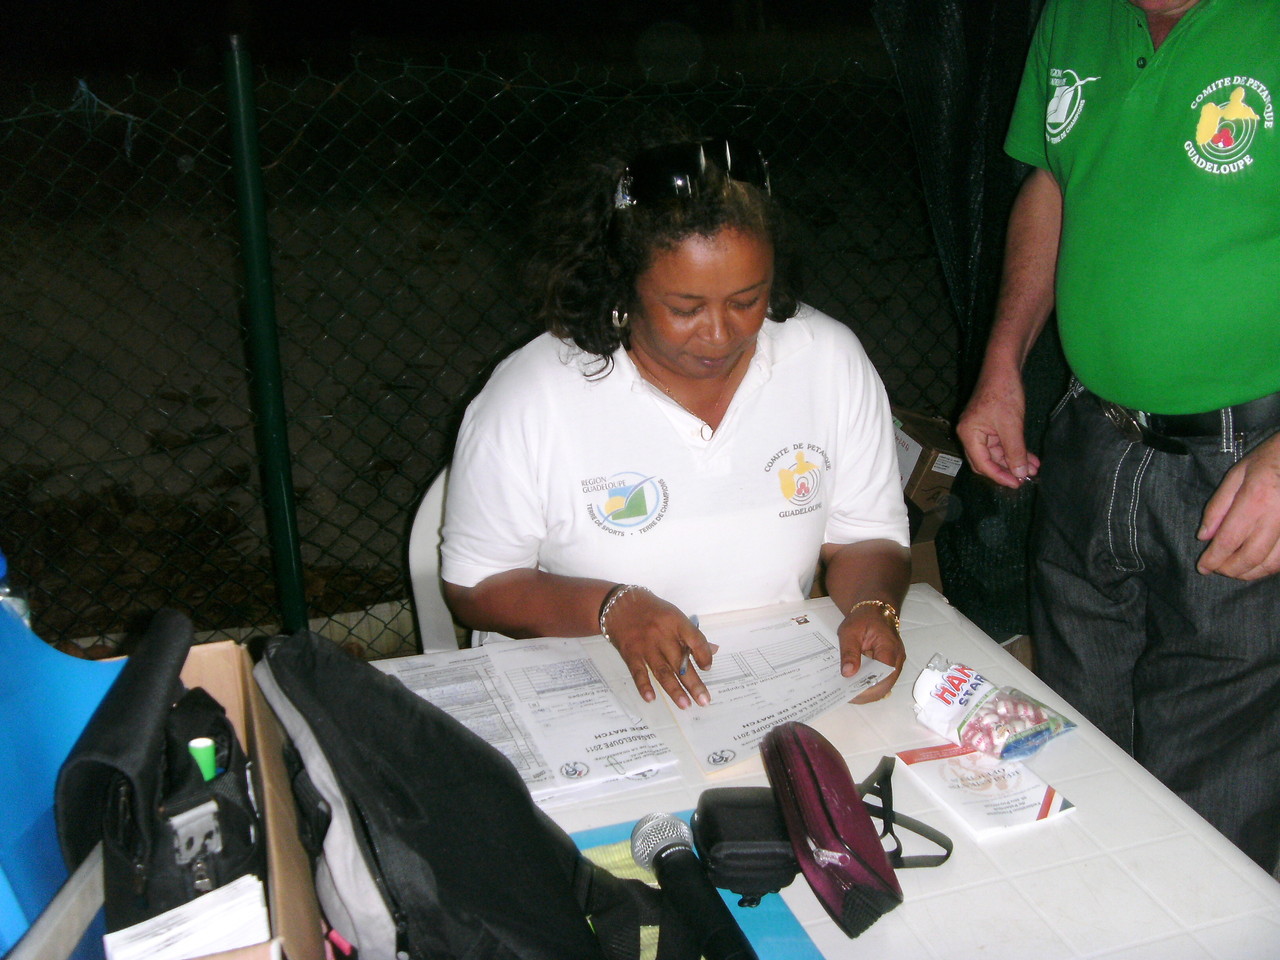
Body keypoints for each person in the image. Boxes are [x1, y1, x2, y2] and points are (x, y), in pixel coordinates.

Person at [957, 0, 1280, 870]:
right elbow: (1053, 184)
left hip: (1249, 467)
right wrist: (1001, 365)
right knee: (1068, 751)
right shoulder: (1075, 13)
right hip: (1091, 439)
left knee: (1215, 787)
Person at [439, 132, 910, 710]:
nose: (720, 334)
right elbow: (476, 585)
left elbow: (866, 535)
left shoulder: (827, 360)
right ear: (624, 283)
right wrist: (610, 608)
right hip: (588, 684)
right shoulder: (534, 395)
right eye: (685, 308)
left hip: (770, 681)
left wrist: (871, 607)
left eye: (747, 300)